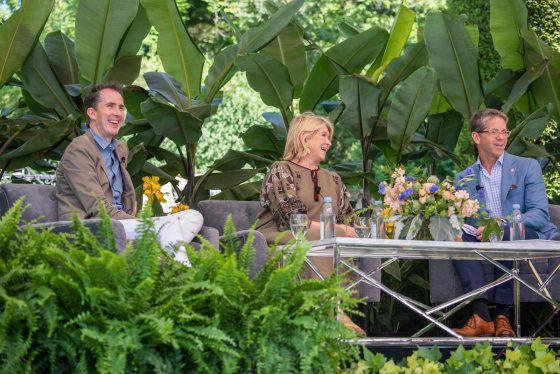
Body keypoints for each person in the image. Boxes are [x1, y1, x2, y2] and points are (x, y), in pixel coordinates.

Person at [56, 82, 202, 263]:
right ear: (92, 113)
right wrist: (143, 222)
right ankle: (181, 266)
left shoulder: (120, 149)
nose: (118, 113)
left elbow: (123, 198)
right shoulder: (79, 149)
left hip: (123, 223)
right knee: (171, 226)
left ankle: (165, 246)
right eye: (110, 106)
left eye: (121, 107)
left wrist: (136, 218)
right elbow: (97, 208)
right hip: (93, 225)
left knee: (194, 217)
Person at [256, 112, 366, 334]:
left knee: (336, 242)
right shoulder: (281, 170)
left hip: (324, 239)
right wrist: (334, 230)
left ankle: (333, 308)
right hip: (282, 237)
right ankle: (332, 313)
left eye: (329, 137)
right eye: (324, 136)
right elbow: (291, 218)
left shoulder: (333, 179)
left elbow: (348, 218)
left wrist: (352, 230)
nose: (329, 142)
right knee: (319, 241)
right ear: (305, 138)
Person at [452, 108, 557, 337]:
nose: (501, 137)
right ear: (476, 137)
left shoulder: (526, 167)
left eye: (504, 132)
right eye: (494, 132)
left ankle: (503, 316)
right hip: (482, 236)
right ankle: (481, 317)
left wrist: (499, 225)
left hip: (525, 233)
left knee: (506, 232)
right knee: (456, 236)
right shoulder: (463, 178)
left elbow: (540, 214)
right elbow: (461, 219)